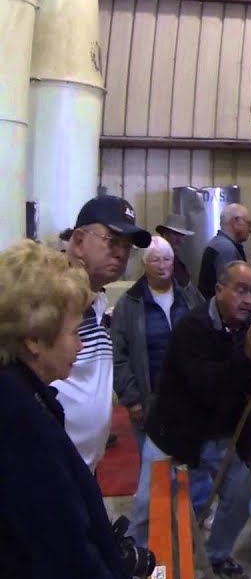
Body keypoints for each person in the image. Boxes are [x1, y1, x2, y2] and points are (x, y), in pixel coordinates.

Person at [0, 240, 149, 579]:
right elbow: (63, 558)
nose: (81, 344)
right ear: (34, 339)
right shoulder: (20, 422)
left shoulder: (22, 396)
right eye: (73, 331)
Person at [131, 262, 251, 579]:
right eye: (240, 290)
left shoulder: (250, 331)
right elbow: (205, 386)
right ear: (219, 290)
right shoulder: (192, 328)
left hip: (222, 435)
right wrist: (245, 358)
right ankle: (138, 567)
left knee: (240, 496)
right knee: (148, 508)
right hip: (175, 433)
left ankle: (216, 555)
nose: (248, 300)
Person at [60, 195, 152, 469]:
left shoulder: (97, 300)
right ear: (79, 241)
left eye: (127, 246)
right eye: (112, 241)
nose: (121, 254)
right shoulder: (49, 305)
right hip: (48, 468)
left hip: (85, 467)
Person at [111, 237, 204, 446]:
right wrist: (132, 398)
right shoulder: (129, 304)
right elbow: (118, 355)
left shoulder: (189, 295)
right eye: (155, 260)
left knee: (191, 458)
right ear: (144, 264)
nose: (162, 266)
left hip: (189, 397)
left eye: (167, 259)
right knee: (154, 462)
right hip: (150, 400)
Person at [198, 203, 251, 299]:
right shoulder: (226, 249)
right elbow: (231, 291)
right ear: (235, 222)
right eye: (248, 223)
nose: (250, 229)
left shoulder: (217, 243)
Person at [154, 216, 196, 288]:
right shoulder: (157, 261)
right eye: (176, 234)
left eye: (182, 235)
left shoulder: (175, 260)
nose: (180, 240)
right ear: (164, 234)